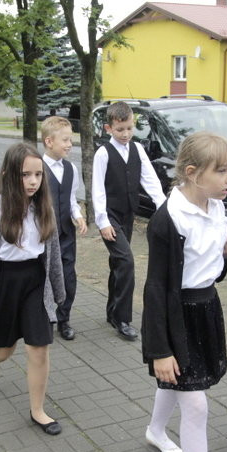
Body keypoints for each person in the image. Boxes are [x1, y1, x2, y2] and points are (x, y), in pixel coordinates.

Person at [141, 132, 227, 452]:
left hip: (206, 310)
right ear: (193, 172)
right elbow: (156, 288)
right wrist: (160, 350)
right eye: (222, 170)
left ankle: (155, 430)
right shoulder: (169, 220)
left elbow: (208, 269)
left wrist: (225, 254)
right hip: (175, 316)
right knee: (195, 405)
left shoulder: (217, 208)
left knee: (179, 383)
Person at [0, 142, 65, 436]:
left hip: (35, 283)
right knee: (4, 350)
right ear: (9, 175)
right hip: (6, 283)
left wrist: (59, 293)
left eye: (38, 174)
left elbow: (54, 254)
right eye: (25, 175)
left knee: (39, 348)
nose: (33, 181)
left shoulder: (44, 208)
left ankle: (38, 410)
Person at [93, 101, 166, 341]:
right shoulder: (103, 153)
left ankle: (111, 311)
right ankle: (122, 318)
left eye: (129, 128)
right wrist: (103, 221)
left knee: (118, 263)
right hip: (110, 216)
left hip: (127, 215)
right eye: (120, 129)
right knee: (126, 262)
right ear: (108, 128)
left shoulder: (137, 149)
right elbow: (97, 190)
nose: (125, 134)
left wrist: (164, 207)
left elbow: (150, 180)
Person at [41, 116, 87, 341]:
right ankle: (45, 317)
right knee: (45, 277)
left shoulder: (70, 168)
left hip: (67, 234)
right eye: (65, 140)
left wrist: (78, 216)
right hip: (44, 234)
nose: (70, 144)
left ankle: (64, 318)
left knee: (68, 277)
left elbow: (70, 199)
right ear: (49, 142)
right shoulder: (37, 168)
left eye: (71, 140)